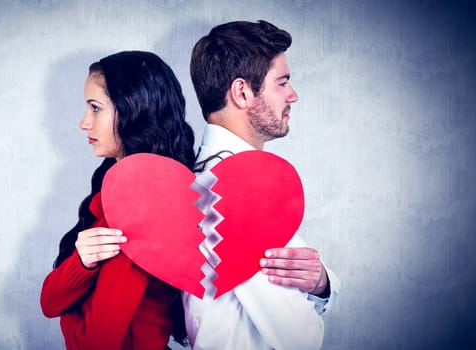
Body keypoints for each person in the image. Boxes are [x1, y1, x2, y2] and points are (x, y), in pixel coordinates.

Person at [183, 20, 341, 349]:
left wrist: (322, 282)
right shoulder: (235, 193)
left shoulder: (200, 178)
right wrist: (324, 289)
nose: (293, 95)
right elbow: (303, 338)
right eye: (282, 82)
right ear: (242, 92)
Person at [40, 51, 195, 349]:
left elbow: (97, 342)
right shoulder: (114, 187)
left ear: (134, 110)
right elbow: (49, 301)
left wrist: (69, 316)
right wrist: (82, 264)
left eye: (95, 108)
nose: (84, 123)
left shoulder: (141, 202)